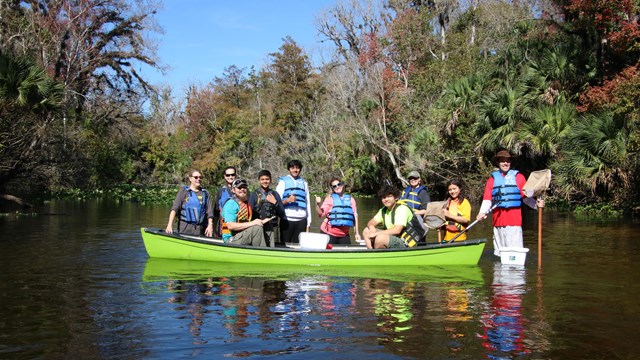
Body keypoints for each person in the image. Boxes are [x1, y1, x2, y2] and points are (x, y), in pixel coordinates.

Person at [476, 150, 544, 255]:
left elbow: (526, 198)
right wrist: (482, 212)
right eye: (502, 161)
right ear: (498, 162)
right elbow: (487, 199)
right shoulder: (492, 180)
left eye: (507, 161)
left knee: (514, 252)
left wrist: (537, 206)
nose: (505, 163)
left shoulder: (519, 178)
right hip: (497, 222)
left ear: (510, 163)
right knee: (499, 253)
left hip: (514, 221)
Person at [362, 185, 426, 249]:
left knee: (380, 238)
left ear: (396, 198)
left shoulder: (402, 209)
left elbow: (397, 230)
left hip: (406, 242)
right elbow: (371, 222)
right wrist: (372, 227)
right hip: (392, 238)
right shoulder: (383, 210)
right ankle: (372, 254)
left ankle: (378, 256)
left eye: (389, 196)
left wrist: (376, 233)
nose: (386, 199)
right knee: (366, 231)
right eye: (384, 197)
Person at [221, 178, 268, 247]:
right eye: (239, 188)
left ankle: (269, 249)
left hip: (242, 235)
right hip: (231, 239)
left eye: (244, 187)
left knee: (265, 225)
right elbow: (230, 226)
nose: (242, 189)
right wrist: (253, 223)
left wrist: (262, 221)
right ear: (233, 190)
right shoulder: (231, 204)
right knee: (257, 228)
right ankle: (261, 254)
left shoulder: (246, 204)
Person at [166, 169, 214, 236]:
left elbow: (210, 212)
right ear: (190, 179)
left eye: (200, 177)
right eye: (196, 177)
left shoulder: (206, 193)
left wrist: (210, 225)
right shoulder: (184, 191)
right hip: (184, 228)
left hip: (200, 229)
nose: (198, 179)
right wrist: (169, 225)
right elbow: (174, 209)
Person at [315, 177, 361, 245]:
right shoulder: (330, 199)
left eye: (339, 184)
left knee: (347, 253)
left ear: (342, 185)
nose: (337, 187)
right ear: (332, 188)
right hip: (328, 233)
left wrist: (356, 233)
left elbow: (355, 217)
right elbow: (320, 214)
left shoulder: (351, 199)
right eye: (334, 186)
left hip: (344, 234)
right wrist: (317, 204)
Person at [276, 159, 312, 243]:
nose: (295, 170)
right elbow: (276, 203)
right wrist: (288, 200)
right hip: (287, 220)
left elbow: (308, 204)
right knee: (285, 245)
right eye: (292, 168)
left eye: (297, 168)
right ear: (289, 169)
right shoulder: (282, 182)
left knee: (299, 246)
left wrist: (308, 224)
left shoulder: (304, 183)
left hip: (302, 220)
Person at [248, 169, 285, 247]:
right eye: (262, 179)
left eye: (267, 179)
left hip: (273, 228)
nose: (265, 181)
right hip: (259, 228)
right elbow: (249, 213)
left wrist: (275, 202)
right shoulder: (254, 195)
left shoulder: (275, 194)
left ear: (270, 180)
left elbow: (282, 214)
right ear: (259, 181)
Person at [213, 166, 237, 238]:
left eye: (232, 175)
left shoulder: (242, 190)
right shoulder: (221, 191)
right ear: (225, 176)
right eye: (228, 175)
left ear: (235, 176)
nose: (230, 177)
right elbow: (216, 212)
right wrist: (214, 229)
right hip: (223, 225)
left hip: (238, 225)